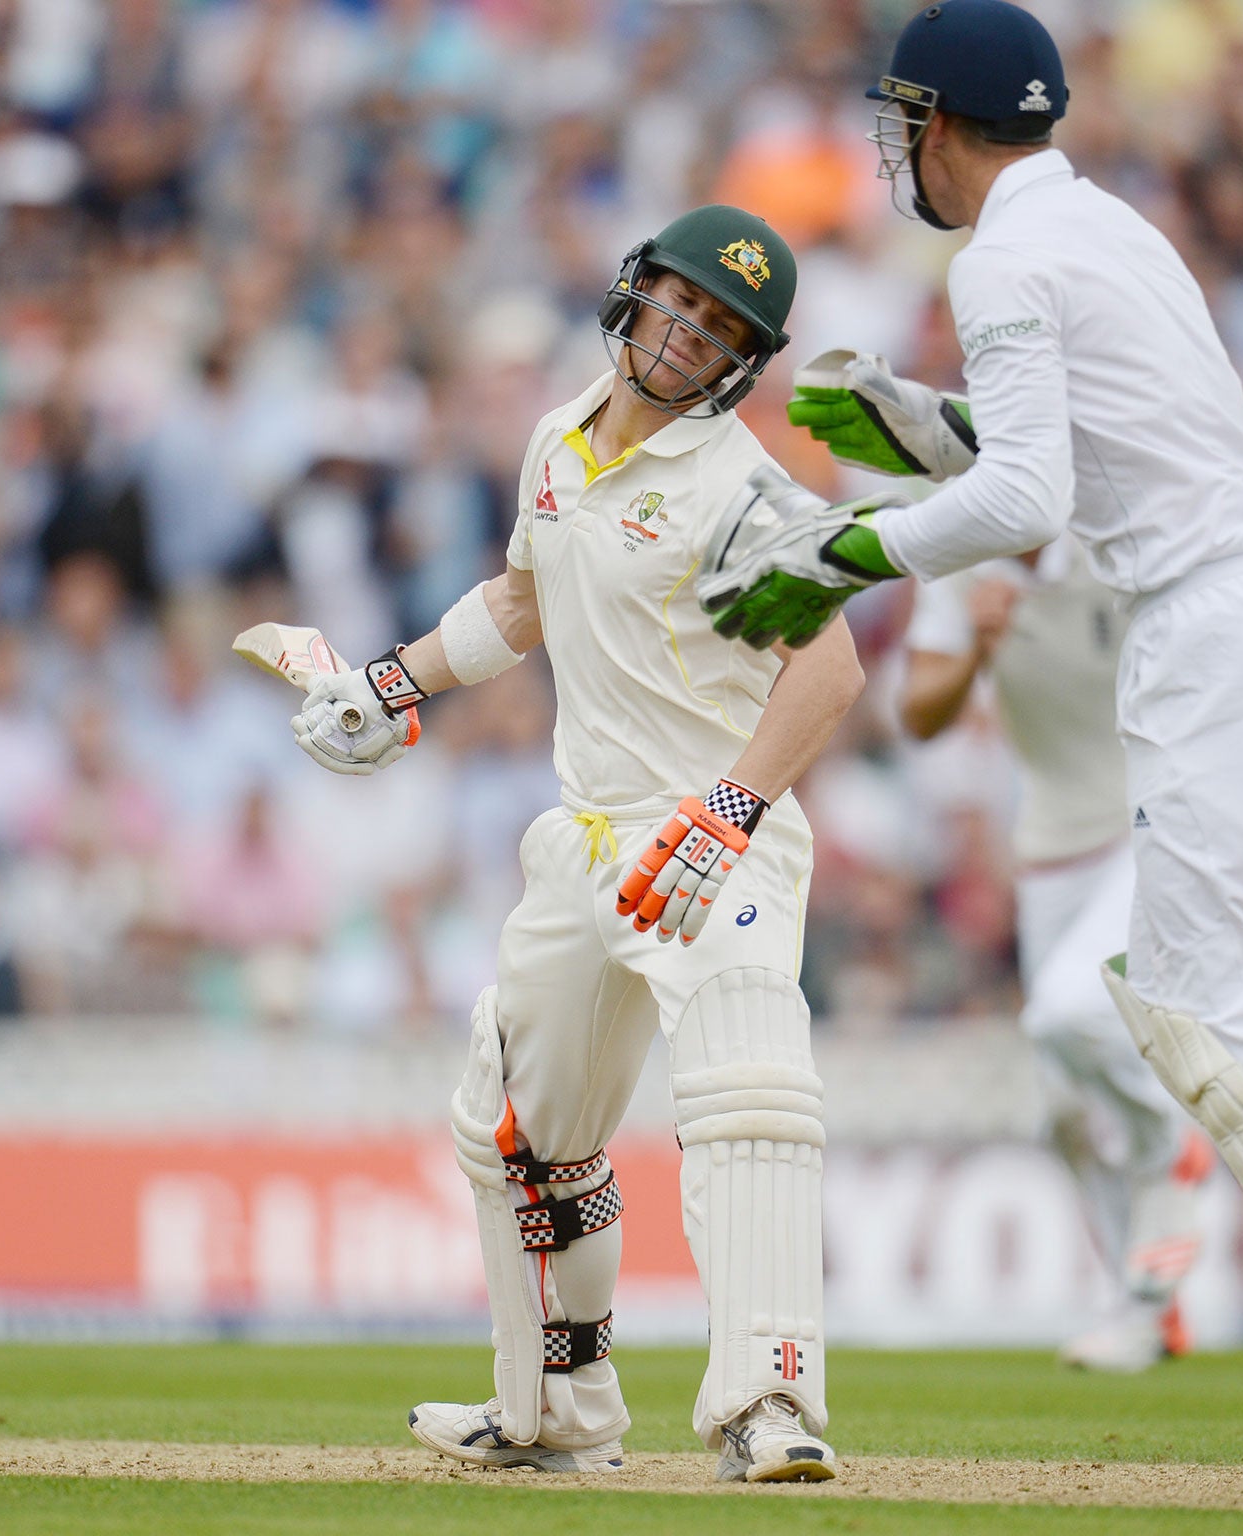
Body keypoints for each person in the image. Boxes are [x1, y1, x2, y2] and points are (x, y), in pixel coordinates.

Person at [696, 0, 1243, 1495]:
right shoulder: (1109, 225)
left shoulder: (1005, 252)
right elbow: (1077, 465)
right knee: (1235, 991)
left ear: (936, 125)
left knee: (1204, 995)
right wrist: (916, 420)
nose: (899, 155)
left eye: (900, 126)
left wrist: (840, 549)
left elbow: (1025, 506)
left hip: (1213, 617)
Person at [286, 205, 859, 1483]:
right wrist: (393, 684)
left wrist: (735, 808)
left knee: (746, 1097)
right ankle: (557, 1407)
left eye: (719, 328)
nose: (686, 333)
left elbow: (827, 667)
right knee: (514, 1125)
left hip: (715, 834)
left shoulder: (742, 491)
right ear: (633, 290)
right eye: (679, 299)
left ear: (740, 363)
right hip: (586, 836)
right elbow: (523, 602)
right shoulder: (558, 438)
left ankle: (769, 1408)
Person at [897, 537, 1214, 1371]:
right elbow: (918, 713)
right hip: (1048, 851)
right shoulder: (965, 558)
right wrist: (974, 647)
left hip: (1148, 829)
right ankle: (1145, 1309)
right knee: (1063, 1112)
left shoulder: (1120, 534)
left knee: (1066, 1014)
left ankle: (1167, 1142)